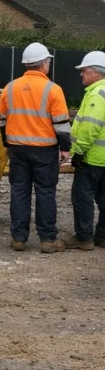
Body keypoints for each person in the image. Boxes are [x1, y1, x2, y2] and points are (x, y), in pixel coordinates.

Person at [0, 42, 71, 253]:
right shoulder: (53, 89)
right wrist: (65, 148)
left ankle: (18, 238)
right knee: (45, 192)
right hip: (45, 150)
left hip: (17, 149)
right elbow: (62, 124)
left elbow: (2, 120)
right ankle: (48, 239)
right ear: (44, 64)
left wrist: (7, 144)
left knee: (19, 191)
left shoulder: (9, 88)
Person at [61, 51, 105, 250]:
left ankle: (84, 237)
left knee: (82, 198)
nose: (81, 74)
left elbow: (90, 127)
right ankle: (102, 236)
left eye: (84, 71)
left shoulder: (96, 95)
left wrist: (78, 153)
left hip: (92, 158)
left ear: (96, 72)